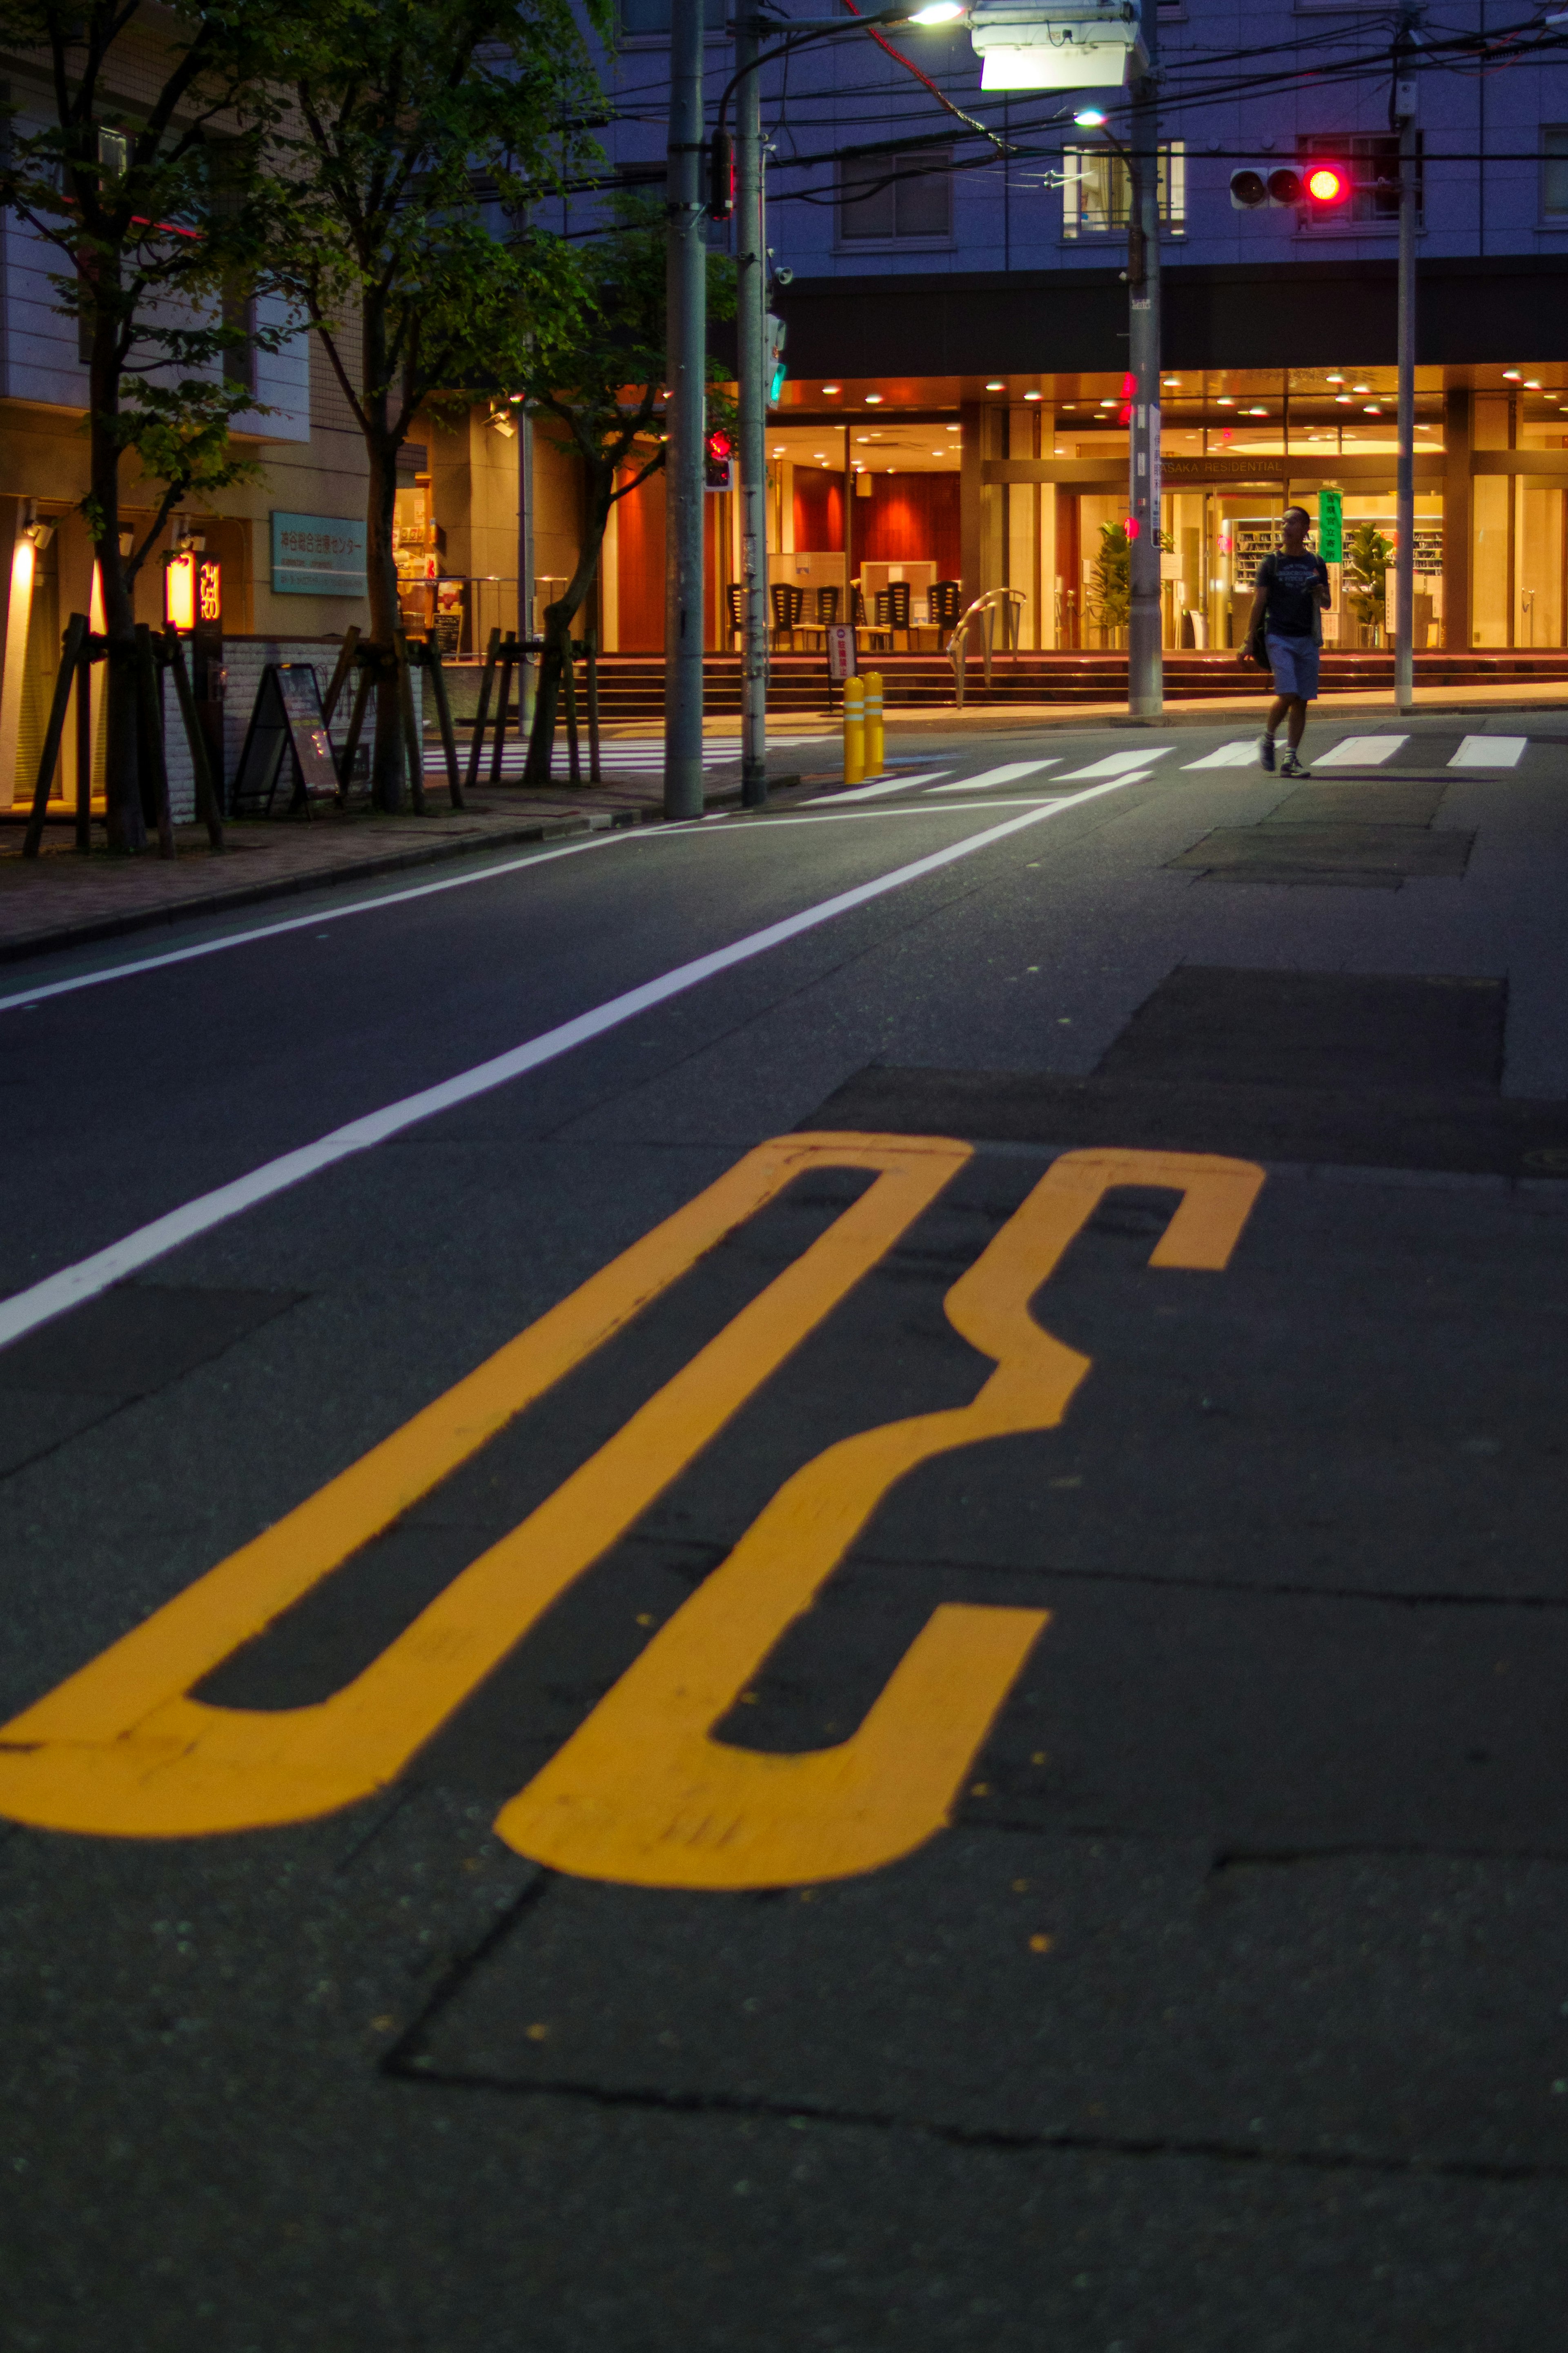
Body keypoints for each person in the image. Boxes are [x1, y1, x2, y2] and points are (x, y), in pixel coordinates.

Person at [1244, 506, 1332, 776]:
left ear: (1306, 529)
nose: (1286, 527)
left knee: (1302, 699)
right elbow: (1259, 602)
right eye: (1283, 522)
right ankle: (1268, 738)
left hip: (1307, 638)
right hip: (1278, 636)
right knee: (1288, 693)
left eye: (1292, 522)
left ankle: (1290, 758)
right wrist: (1248, 640)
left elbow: (1327, 603)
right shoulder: (1271, 562)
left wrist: (1320, 592)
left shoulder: (1315, 562)